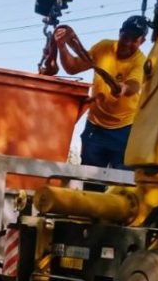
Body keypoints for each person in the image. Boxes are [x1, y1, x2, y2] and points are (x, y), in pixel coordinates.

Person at [53, 15, 149, 171]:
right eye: (125, 36)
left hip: (125, 129)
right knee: (90, 180)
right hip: (95, 127)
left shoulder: (140, 62)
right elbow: (72, 67)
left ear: (142, 41)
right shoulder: (103, 48)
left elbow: (134, 86)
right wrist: (62, 47)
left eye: (134, 39)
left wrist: (122, 88)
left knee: (122, 182)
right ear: (120, 33)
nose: (128, 42)